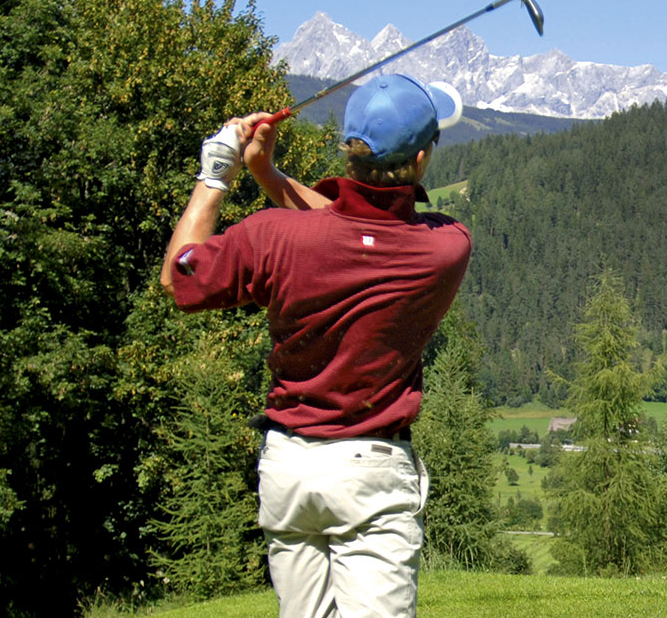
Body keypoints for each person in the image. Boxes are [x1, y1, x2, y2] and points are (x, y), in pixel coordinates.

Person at [158, 74, 471, 617]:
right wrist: (268, 173)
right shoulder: (444, 248)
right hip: (372, 470)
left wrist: (220, 172)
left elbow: (177, 277)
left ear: (348, 152)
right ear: (420, 161)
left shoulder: (273, 235)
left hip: (289, 471)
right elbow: (348, 227)